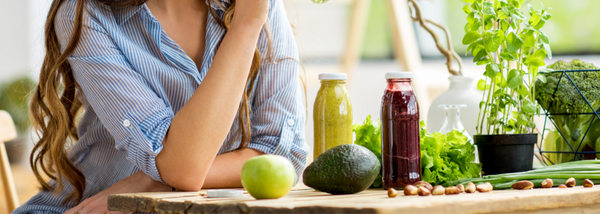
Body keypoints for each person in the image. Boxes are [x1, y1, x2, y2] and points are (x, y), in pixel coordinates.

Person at [14, 0, 308, 213]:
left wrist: (152, 182)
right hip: (88, 206)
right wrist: (245, 27)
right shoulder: (85, 13)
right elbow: (184, 169)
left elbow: (280, 156)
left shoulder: (257, 6)